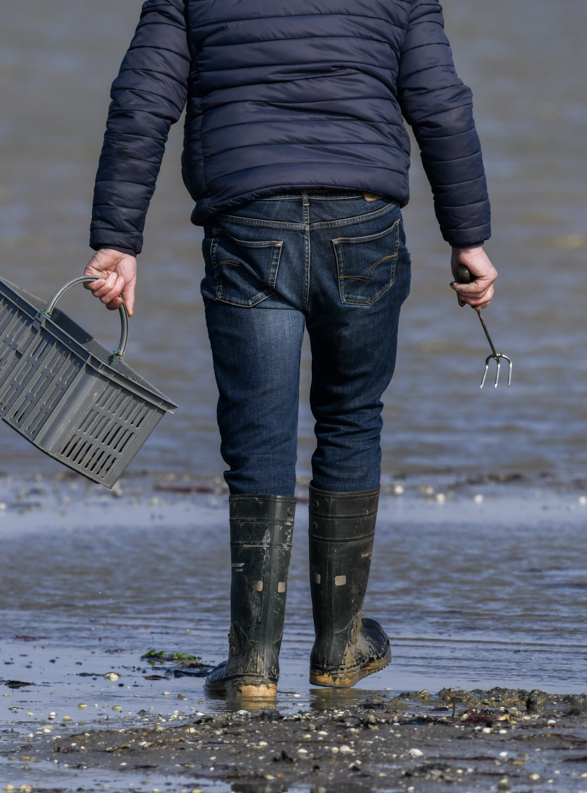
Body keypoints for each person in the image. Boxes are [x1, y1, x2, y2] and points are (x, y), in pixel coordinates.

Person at [83, 0, 496, 698]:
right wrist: (468, 237)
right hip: (363, 217)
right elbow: (441, 104)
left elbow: (142, 98)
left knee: (257, 435)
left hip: (249, 221)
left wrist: (117, 238)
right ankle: (338, 650)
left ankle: (252, 662)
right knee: (350, 418)